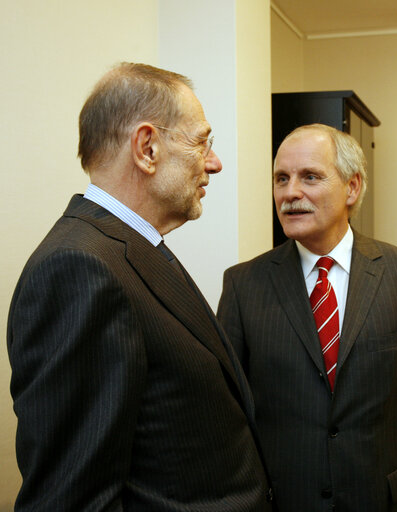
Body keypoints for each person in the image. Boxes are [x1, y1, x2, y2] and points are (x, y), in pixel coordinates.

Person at [7, 63, 272, 511]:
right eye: (202, 142)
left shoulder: (130, 248)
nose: (215, 162)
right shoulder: (80, 268)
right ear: (147, 148)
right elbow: (72, 498)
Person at [218, 123, 397, 512]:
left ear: (352, 187)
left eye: (310, 177)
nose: (290, 193)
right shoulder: (243, 285)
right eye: (281, 179)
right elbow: (227, 416)